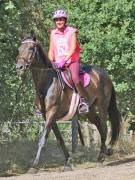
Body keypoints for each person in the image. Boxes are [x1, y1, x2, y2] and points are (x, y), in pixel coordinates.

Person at [48, 9, 89, 114]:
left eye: (61, 19)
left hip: (71, 62)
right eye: (56, 20)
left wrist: (64, 60)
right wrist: (50, 62)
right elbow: (51, 50)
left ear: (65, 20)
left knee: (75, 78)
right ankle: (42, 104)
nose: (59, 22)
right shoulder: (53, 33)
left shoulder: (72, 31)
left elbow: (73, 48)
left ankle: (83, 101)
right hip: (57, 63)